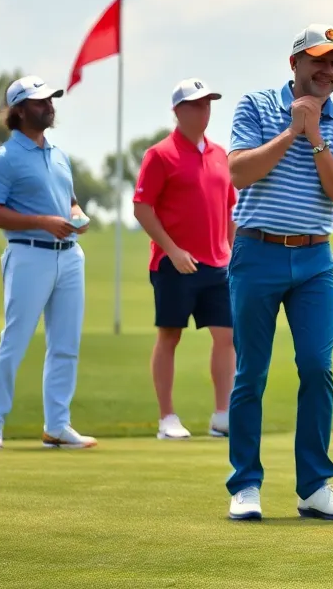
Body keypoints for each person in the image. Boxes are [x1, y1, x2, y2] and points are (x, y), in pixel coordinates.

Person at [222, 24, 333, 523]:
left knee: (316, 367)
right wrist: (290, 131)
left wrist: (315, 137)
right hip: (256, 251)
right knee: (251, 374)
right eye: (317, 61)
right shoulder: (256, 105)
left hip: (314, 260)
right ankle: (244, 485)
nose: (326, 71)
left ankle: (314, 486)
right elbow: (238, 173)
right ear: (294, 65)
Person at [0, 75, 96, 451]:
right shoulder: (5, 157)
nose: (49, 106)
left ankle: (57, 426)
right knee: (15, 340)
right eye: (40, 101)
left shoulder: (58, 154)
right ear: (19, 110)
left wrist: (77, 215)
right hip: (28, 254)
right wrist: (44, 222)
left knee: (65, 344)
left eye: (50, 100)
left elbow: (70, 199)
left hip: (69, 256)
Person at [132, 78, 237, 440]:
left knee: (227, 337)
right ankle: (167, 418)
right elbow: (142, 207)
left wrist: (231, 253)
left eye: (207, 103)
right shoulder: (159, 154)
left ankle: (223, 415)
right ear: (177, 111)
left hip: (218, 264)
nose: (203, 109)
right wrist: (172, 250)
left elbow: (230, 211)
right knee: (170, 336)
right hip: (173, 263)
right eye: (195, 104)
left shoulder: (221, 154)